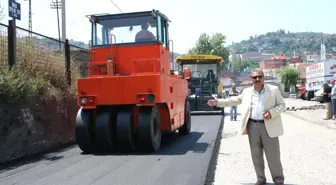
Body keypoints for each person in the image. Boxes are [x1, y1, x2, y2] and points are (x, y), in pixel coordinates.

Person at [207, 68, 285, 185]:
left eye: (259, 77)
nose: (257, 79)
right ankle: (261, 178)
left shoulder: (273, 90)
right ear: (251, 79)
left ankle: (278, 180)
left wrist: (271, 113)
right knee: (256, 155)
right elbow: (234, 100)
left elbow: (282, 105)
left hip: (269, 126)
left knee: (273, 155)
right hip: (252, 126)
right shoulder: (247, 92)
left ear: (263, 78)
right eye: (255, 77)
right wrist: (218, 102)